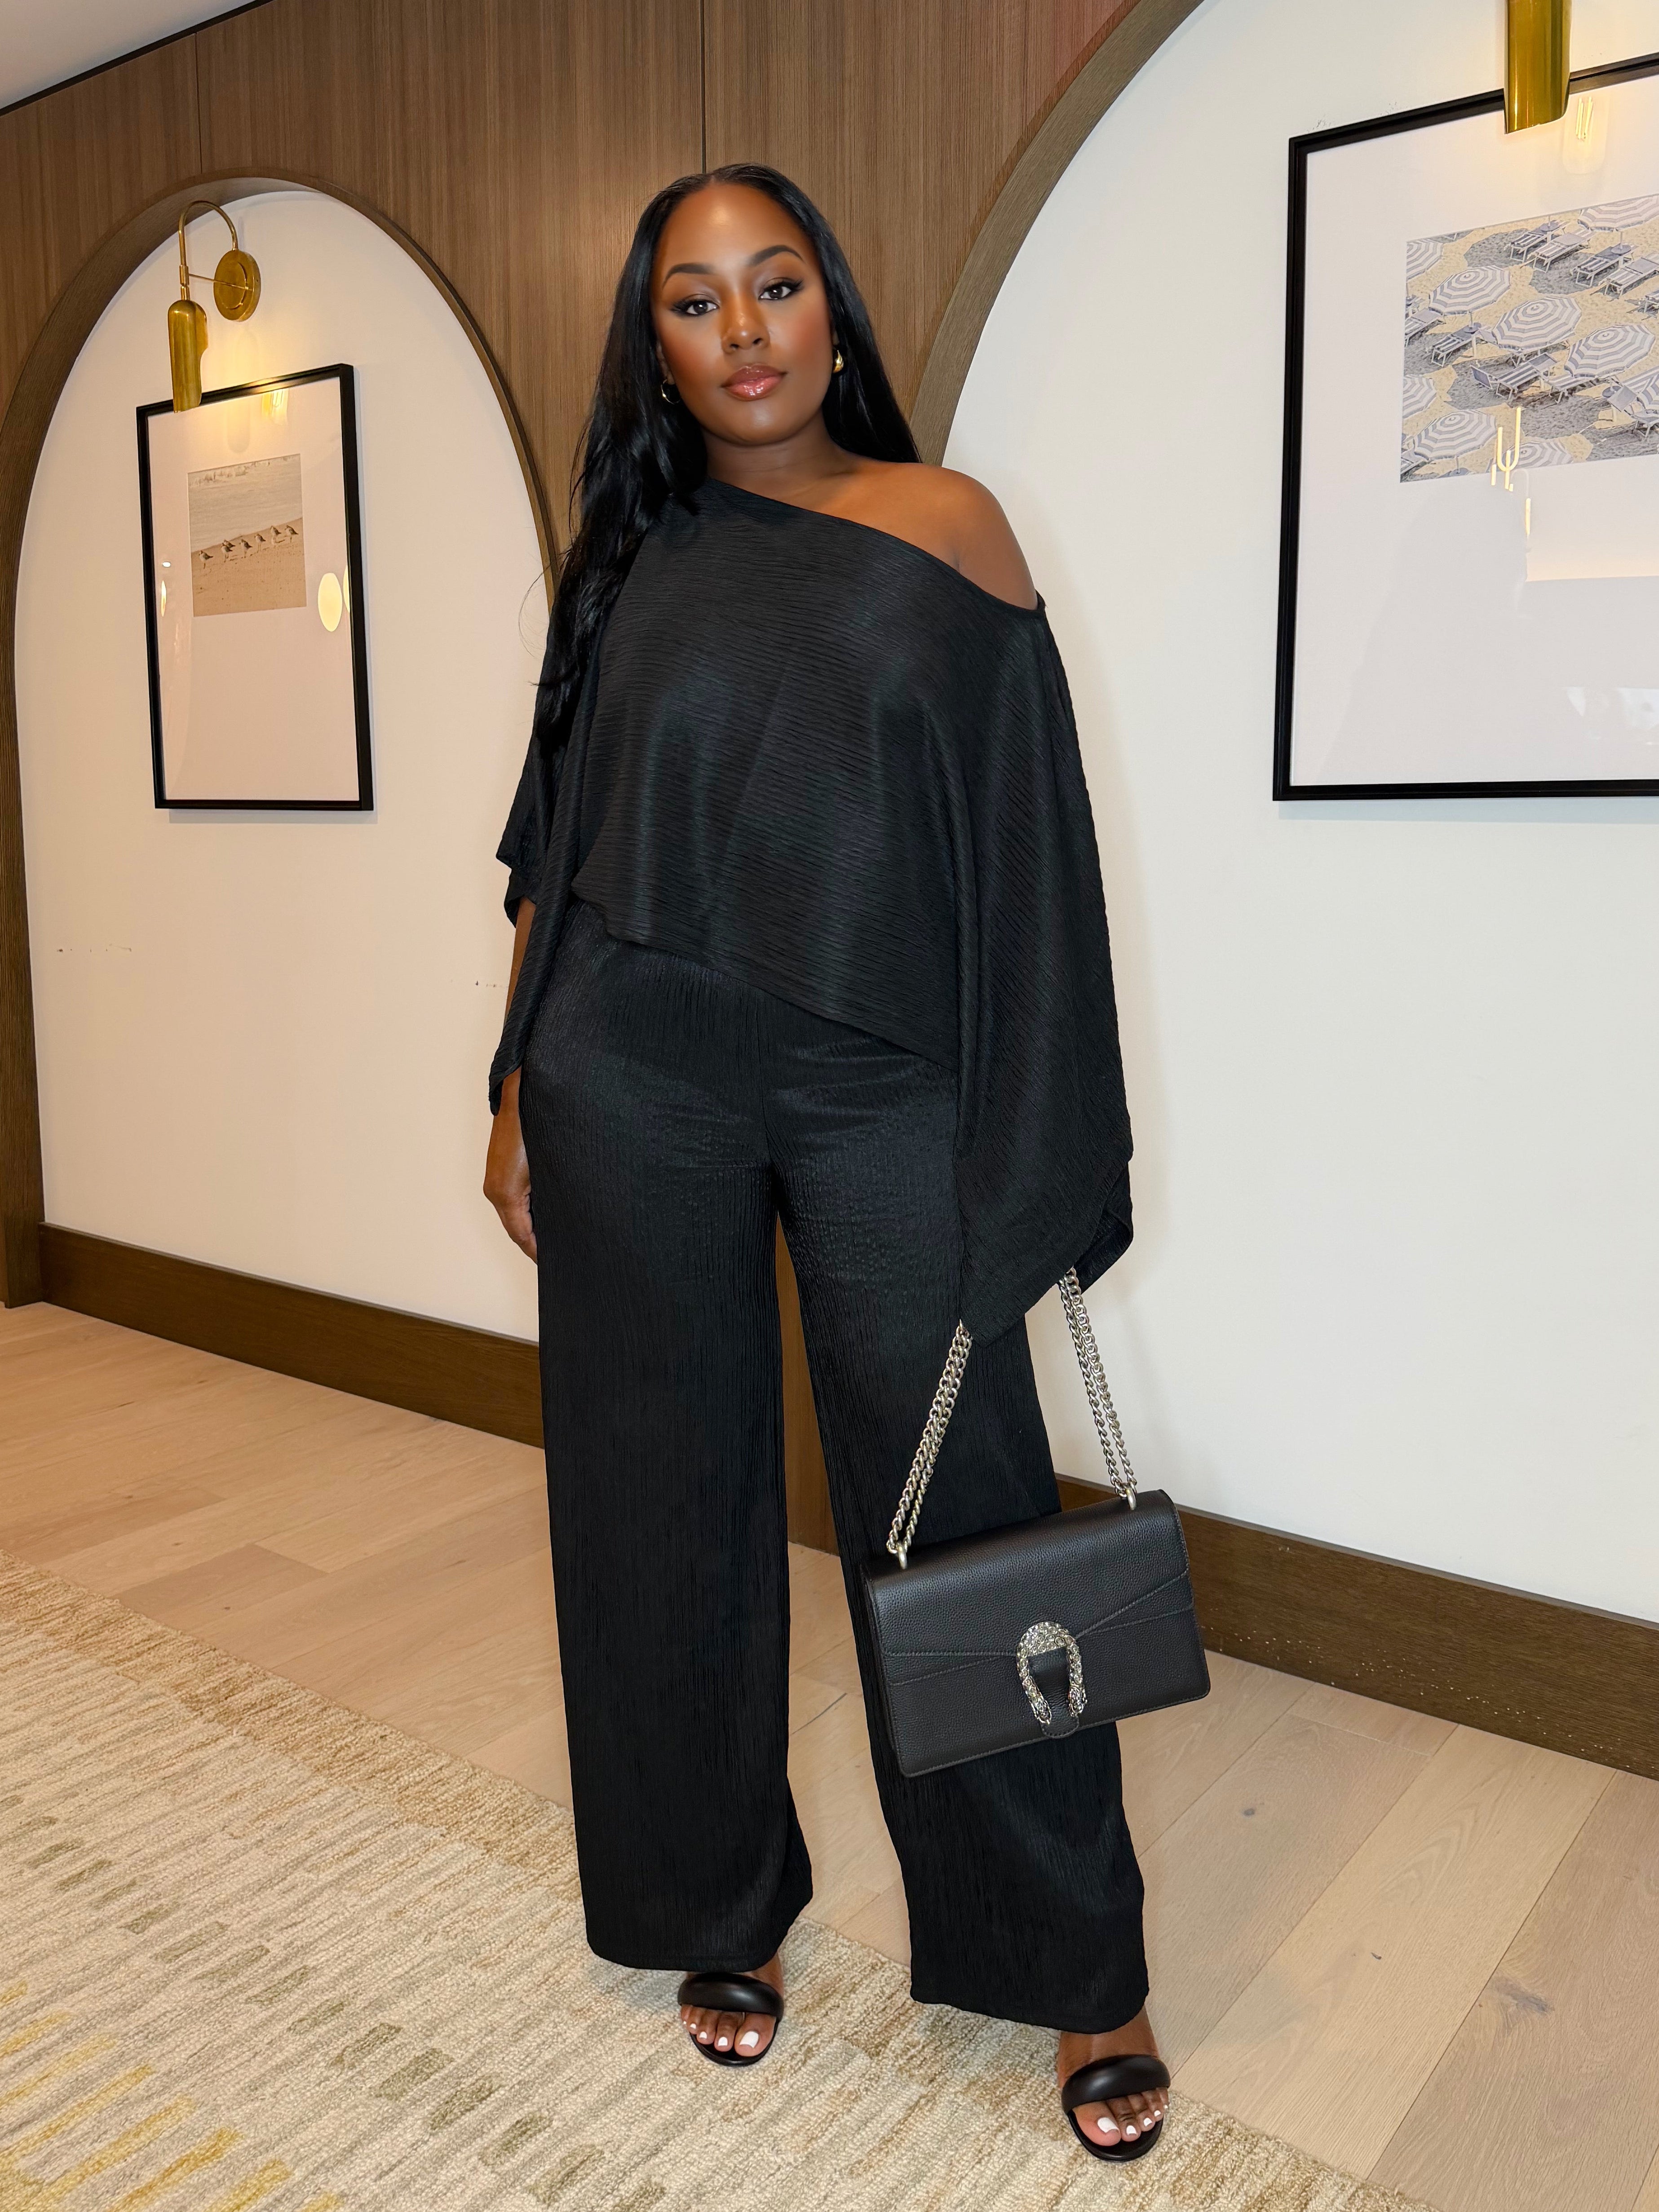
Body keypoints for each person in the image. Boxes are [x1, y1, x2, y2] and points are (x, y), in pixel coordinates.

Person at [482, 163, 1168, 2163]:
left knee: (962, 1508)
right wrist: (514, 1084)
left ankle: (1074, 1958)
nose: (745, 331)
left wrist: (1028, 1127)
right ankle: (718, 1899)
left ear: (835, 309)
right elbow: (553, 850)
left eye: (774, 284)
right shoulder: (626, 554)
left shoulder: (949, 527)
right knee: (660, 1498)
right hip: (636, 1074)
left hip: (885, 1087)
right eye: (695, 302)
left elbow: (1033, 852)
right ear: (656, 347)